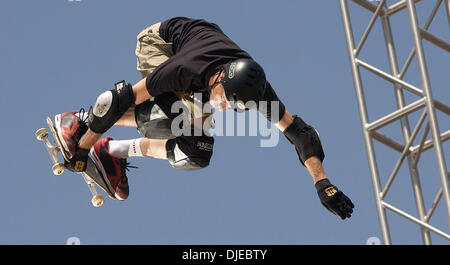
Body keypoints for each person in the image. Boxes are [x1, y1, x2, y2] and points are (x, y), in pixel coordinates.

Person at [55, 17, 354, 219]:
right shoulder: (184, 68)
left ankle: (111, 151)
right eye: (225, 99)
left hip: (208, 64)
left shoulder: (258, 90)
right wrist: (81, 146)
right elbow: (120, 98)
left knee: (196, 151)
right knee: (176, 118)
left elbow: (301, 134)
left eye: (233, 105)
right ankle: (78, 121)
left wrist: (322, 182)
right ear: (221, 77)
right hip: (162, 42)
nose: (224, 107)